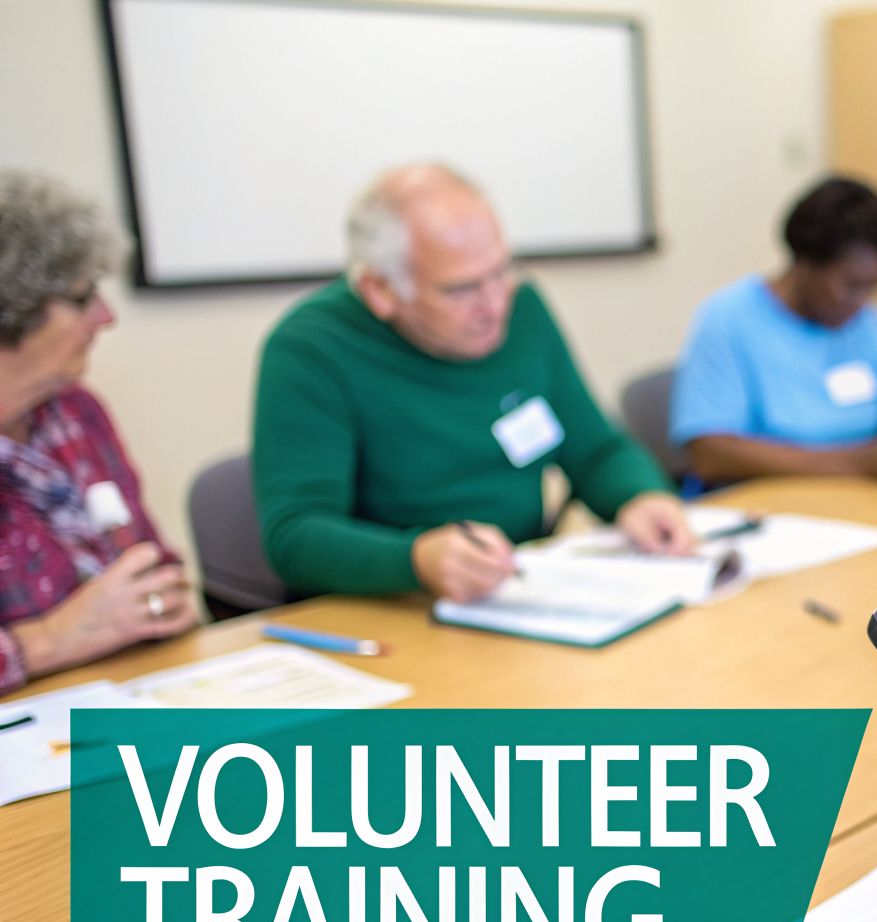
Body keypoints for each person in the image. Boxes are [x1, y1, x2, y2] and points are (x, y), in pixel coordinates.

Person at [253, 165, 691, 603]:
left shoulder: (524, 310)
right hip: (393, 609)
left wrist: (640, 497)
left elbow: (595, 450)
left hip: (513, 595)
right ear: (379, 291)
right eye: (461, 290)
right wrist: (417, 560)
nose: (495, 304)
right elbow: (295, 535)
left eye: (501, 272)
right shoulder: (311, 349)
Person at [0, 171, 197, 694]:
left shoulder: (74, 414)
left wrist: (160, 602)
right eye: (84, 297)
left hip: (131, 697)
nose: (105, 318)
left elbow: (154, 565)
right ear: (10, 308)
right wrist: (48, 641)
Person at [669, 176, 877, 485]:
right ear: (804, 263)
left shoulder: (862, 317)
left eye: (875, 287)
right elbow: (710, 454)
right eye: (852, 285)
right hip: (767, 506)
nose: (862, 301)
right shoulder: (728, 318)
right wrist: (855, 461)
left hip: (858, 497)